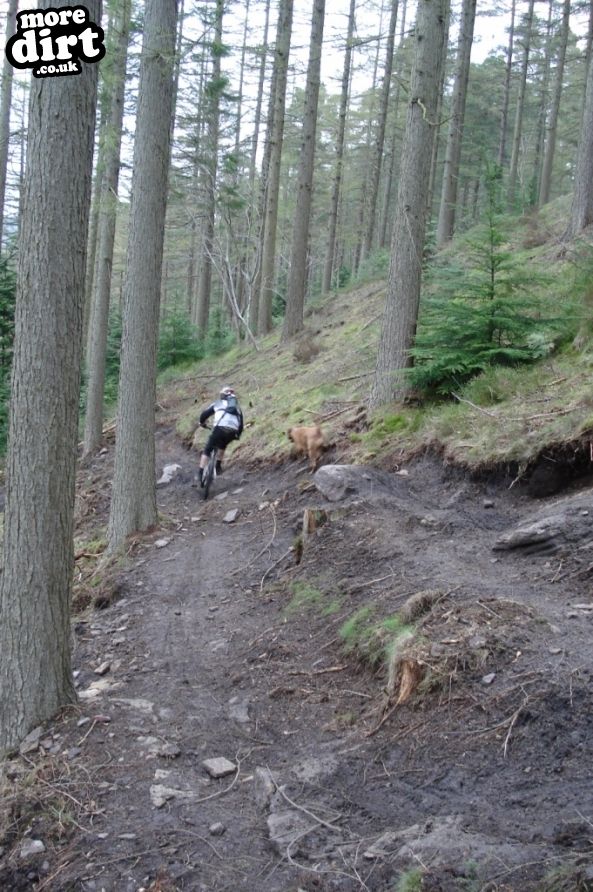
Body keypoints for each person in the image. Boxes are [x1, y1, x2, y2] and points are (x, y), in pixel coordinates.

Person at [197, 386, 243, 485]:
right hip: (232, 431)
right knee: (223, 444)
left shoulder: (218, 403)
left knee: (207, 449)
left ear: (222, 395)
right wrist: (237, 435)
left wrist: (201, 422)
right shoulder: (237, 408)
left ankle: (200, 473)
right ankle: (218, 466)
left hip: (219, 428)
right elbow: (241, 424)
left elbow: (204, 414)